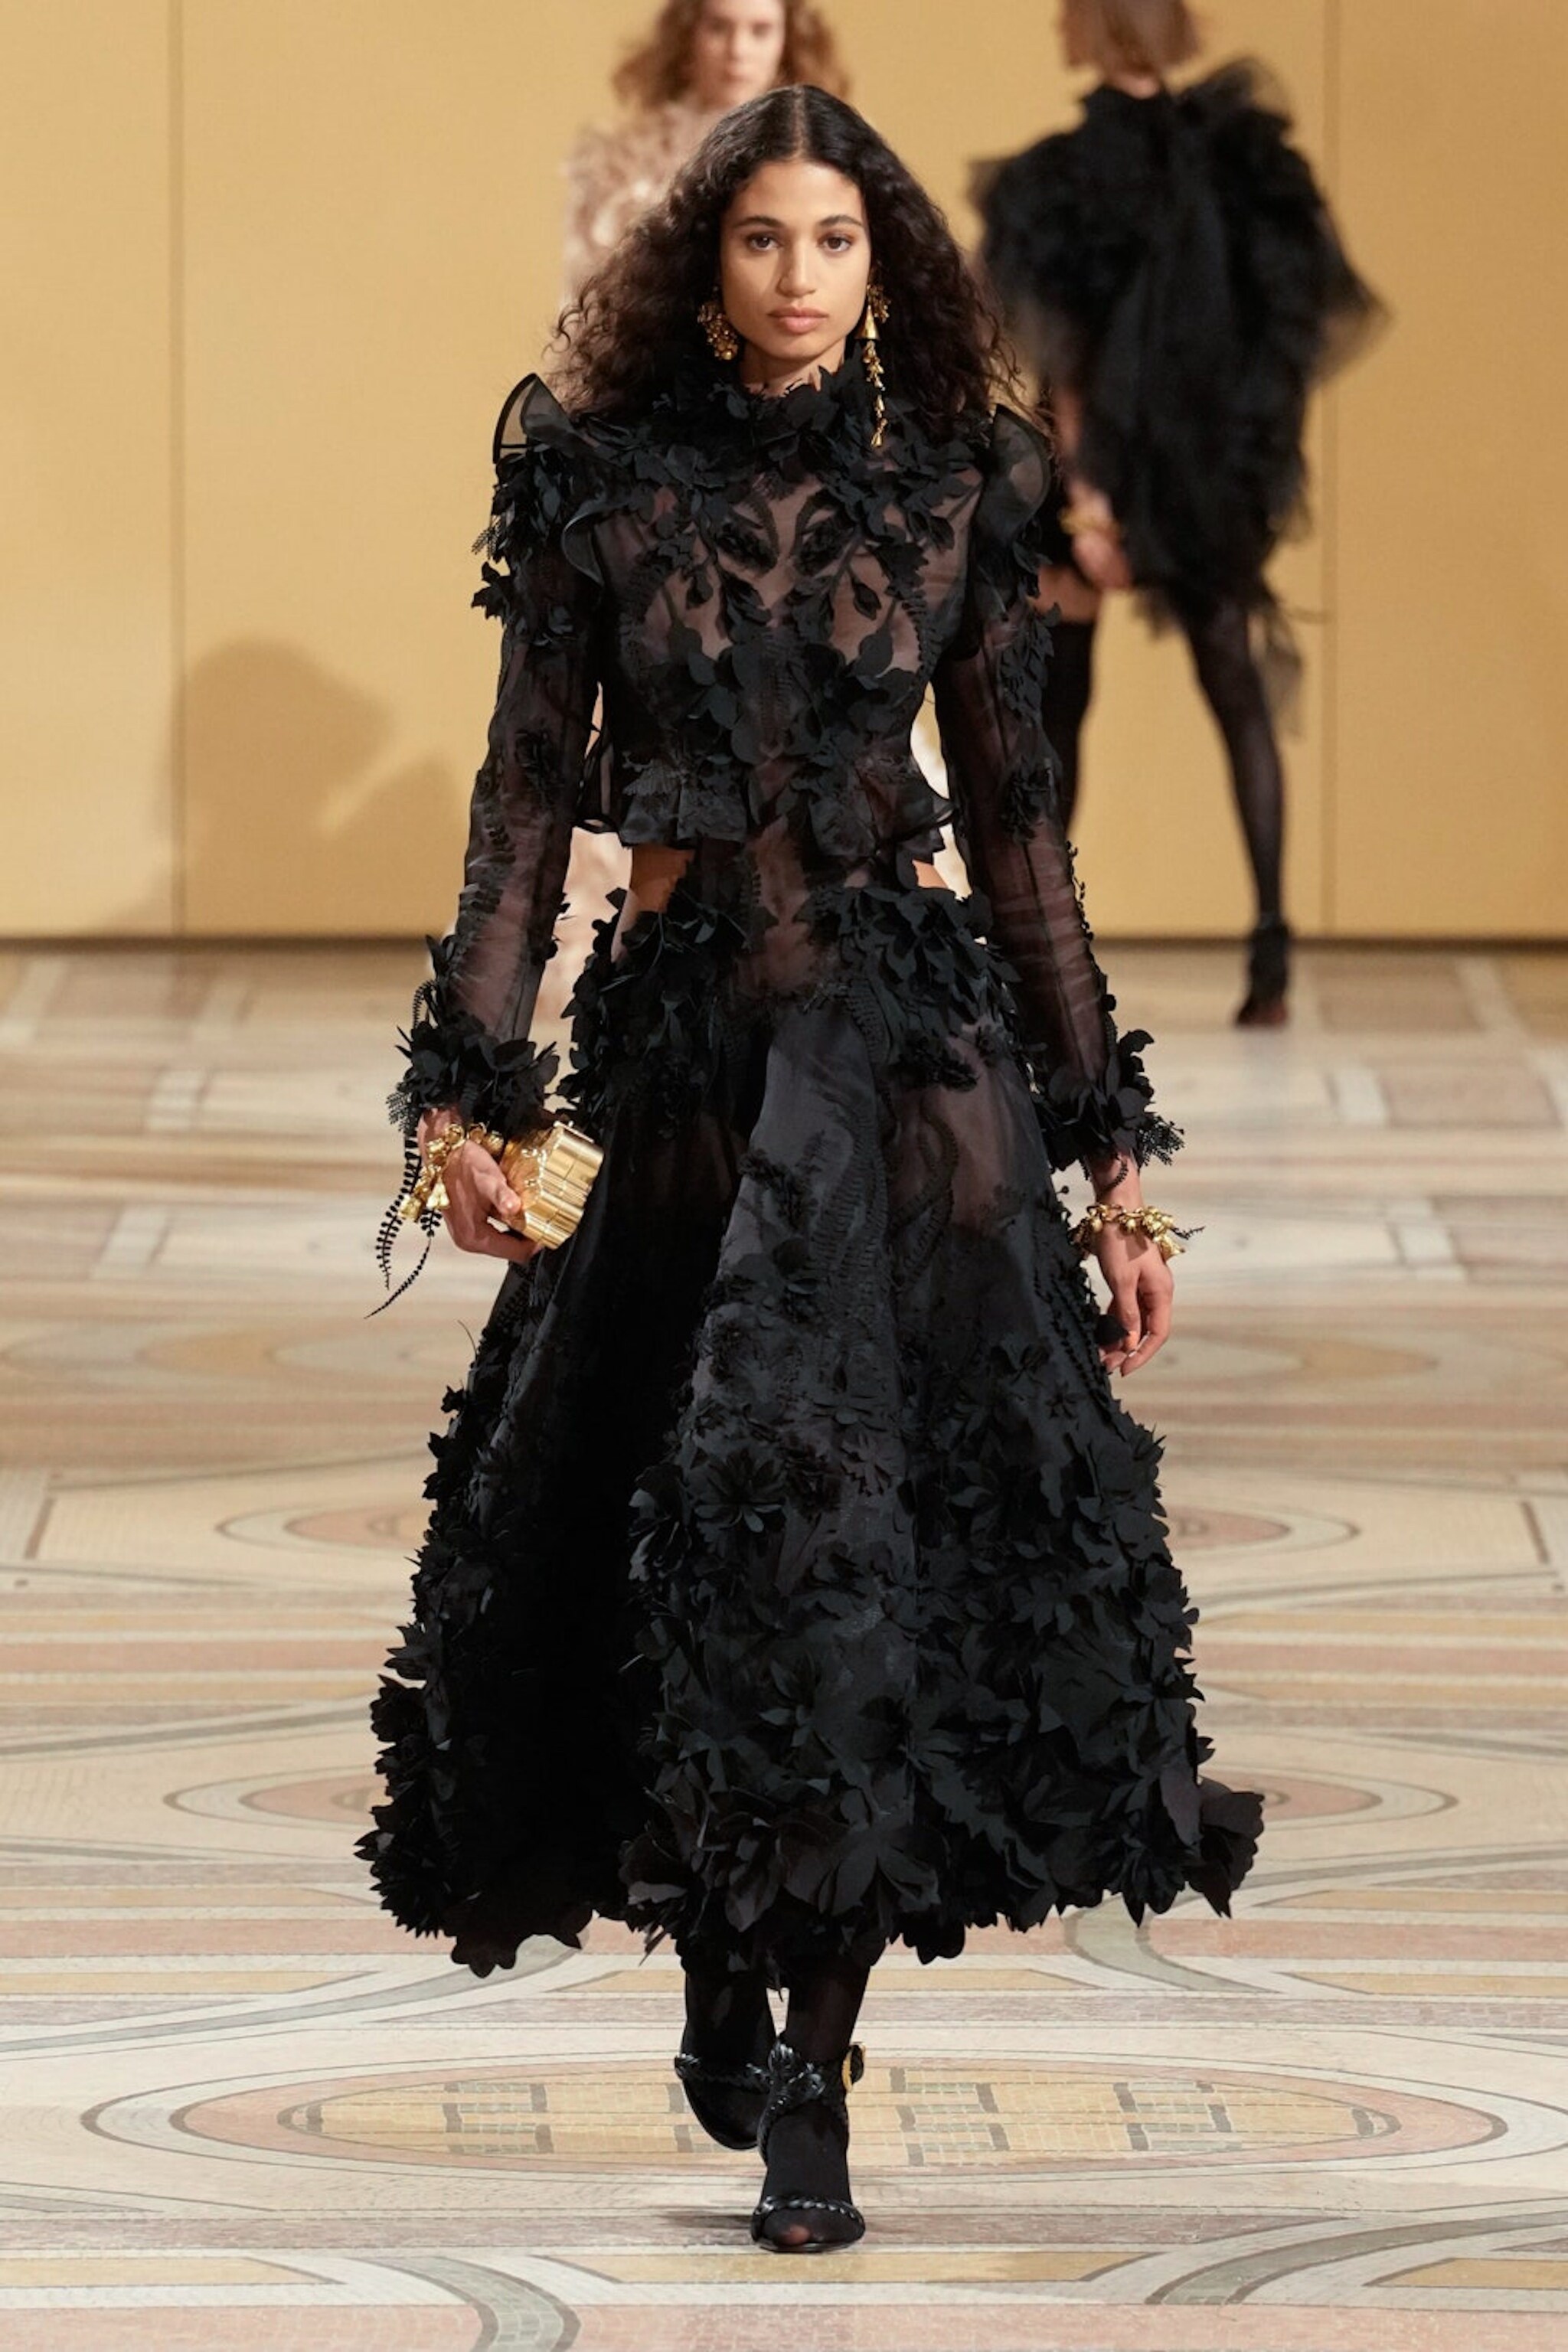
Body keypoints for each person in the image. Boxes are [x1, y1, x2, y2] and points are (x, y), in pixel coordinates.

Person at [361, 84, 1262, 2255]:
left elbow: (1022, 841)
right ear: (706, 261)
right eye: (760, 238)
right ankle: (714, 1957)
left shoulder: (959, 481)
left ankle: (815, 2079)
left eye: (834, 241)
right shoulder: (597, 483)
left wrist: (1108, 1169)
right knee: (685, 1550)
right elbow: (519, 807)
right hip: (682, 1076)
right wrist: (465, 1094)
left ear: (884, 265)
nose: (797, 277)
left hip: (907, 1075)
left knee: (866, 1552)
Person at [975, 0, 1380, 1024]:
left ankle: (1041, 948)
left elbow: (1064, 358)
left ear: (1092, 27)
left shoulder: (1063, 179)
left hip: (1100, 477)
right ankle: (1271, 951)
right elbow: (1275, 341)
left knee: (1062, 703)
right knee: (1234, 693)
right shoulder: (1242, 165)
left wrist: (1091, 500)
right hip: (1206, 477)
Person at [547, 1, 850, 1024]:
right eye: (720, 25)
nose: (737, 48)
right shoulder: (621, 162)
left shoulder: (818, 152)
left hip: (796, 455)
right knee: (659, 701)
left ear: (789, 36)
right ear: (687, 33)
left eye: (759, 28)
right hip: (660, 456)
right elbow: (587, 320)